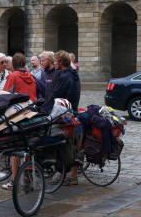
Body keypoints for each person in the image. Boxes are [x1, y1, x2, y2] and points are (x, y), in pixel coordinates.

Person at [2, 53, 37, 190]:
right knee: (27, 147)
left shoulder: (13, 76)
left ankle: (14, 180)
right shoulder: (31, 77)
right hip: (31, 113)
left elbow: (5, 96)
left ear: (14, 64)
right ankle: (27, 176)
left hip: (17, 115)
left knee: (15, 149)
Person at [53, 50, 81, 185]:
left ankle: (63, 174)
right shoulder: (74, 74)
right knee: (73, 145)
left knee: (64, 145)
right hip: (73, 112)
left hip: (64, 114)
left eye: (55, 61)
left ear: (61, 62)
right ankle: (73, 175)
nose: (54, 63)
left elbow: (56, 95)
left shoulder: (64, 76)